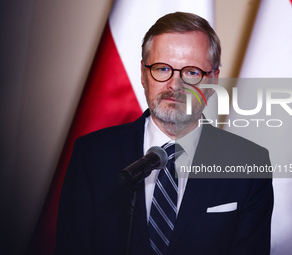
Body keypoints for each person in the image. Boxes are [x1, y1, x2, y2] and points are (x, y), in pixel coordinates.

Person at [56, 12, 273, 255]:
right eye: (162, 68)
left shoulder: (250, 164)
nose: (175, 85)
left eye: (191, 72)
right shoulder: (92, 154)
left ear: (213, 79)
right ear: (143, 74)